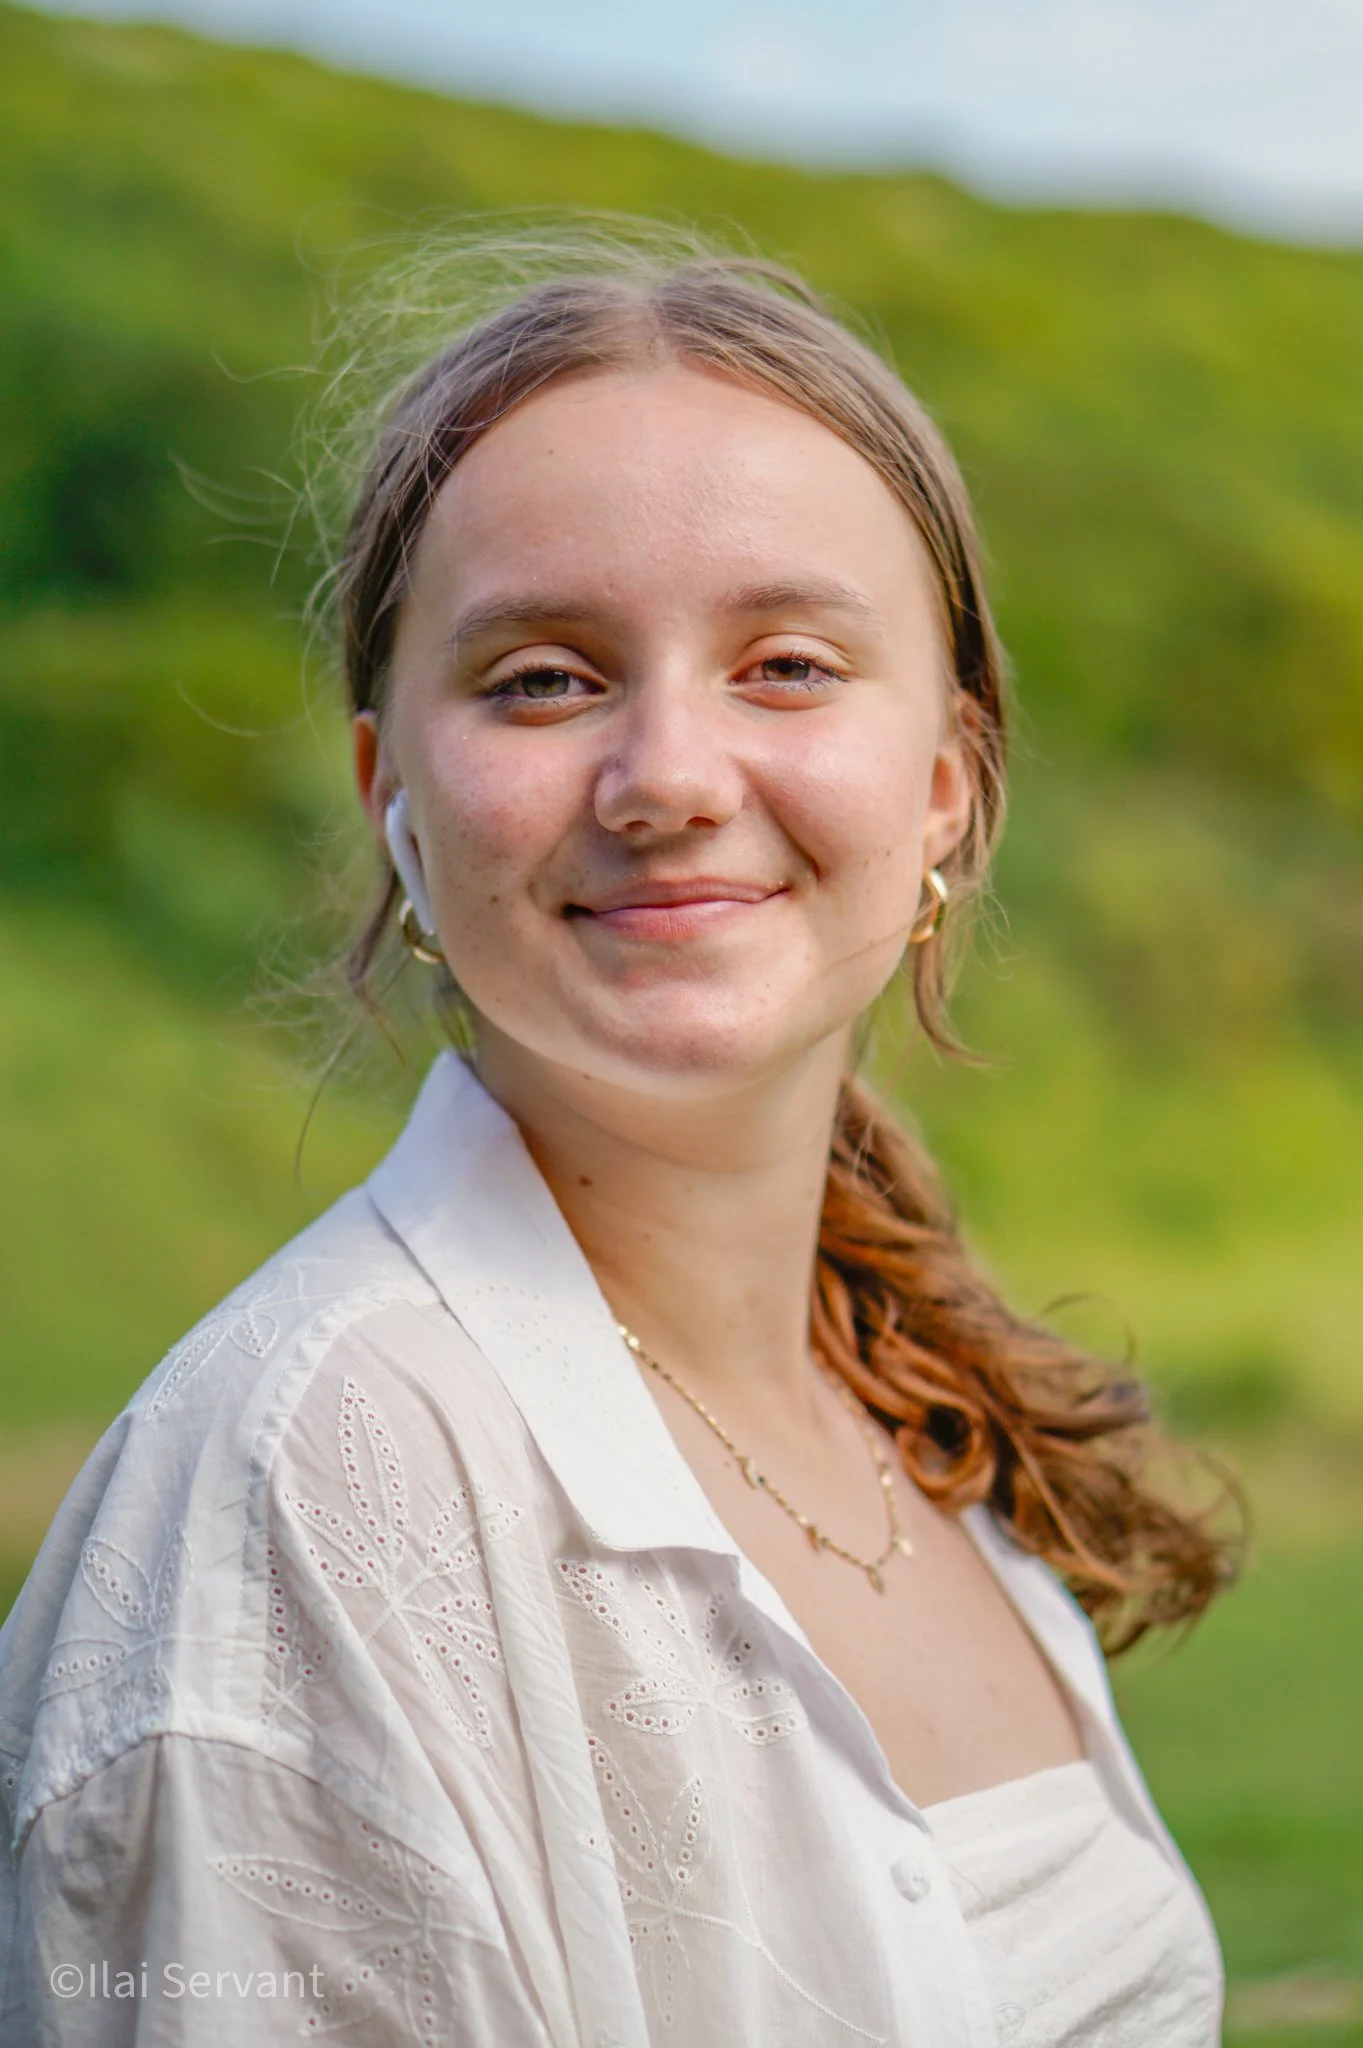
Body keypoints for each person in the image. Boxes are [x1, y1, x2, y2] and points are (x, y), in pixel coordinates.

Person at [0, 225, 1233, 2046]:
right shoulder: (309, 1519)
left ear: (946, 793)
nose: (665, 775)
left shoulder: (901, 1408)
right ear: (395, 803)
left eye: (790, 665)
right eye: (543, 678)